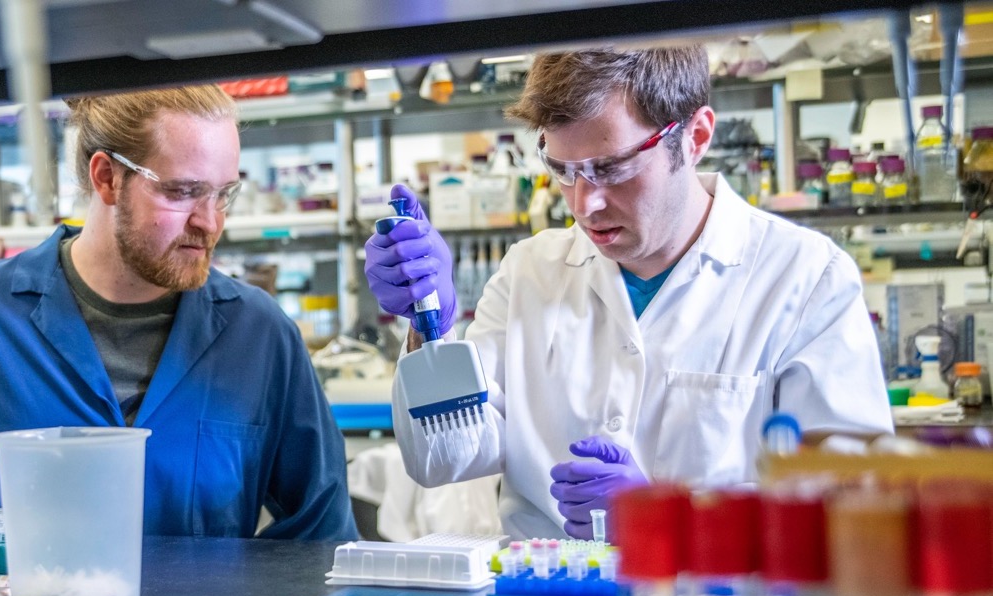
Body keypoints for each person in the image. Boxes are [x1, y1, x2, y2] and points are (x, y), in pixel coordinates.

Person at [364, 46, 893, 540]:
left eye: (611, 168)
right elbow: (444, 458)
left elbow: (854, 512)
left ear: (695, 137)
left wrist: (668, 515)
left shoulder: (806, 280)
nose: (584, 203)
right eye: (563, 170)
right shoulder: (529, 271)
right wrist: (429, 327)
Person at [0, 85, 357, 541]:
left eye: (223, 193)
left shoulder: (259, 336)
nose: (209, 222)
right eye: (183, 192)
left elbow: (323, 540)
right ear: (107, 178)